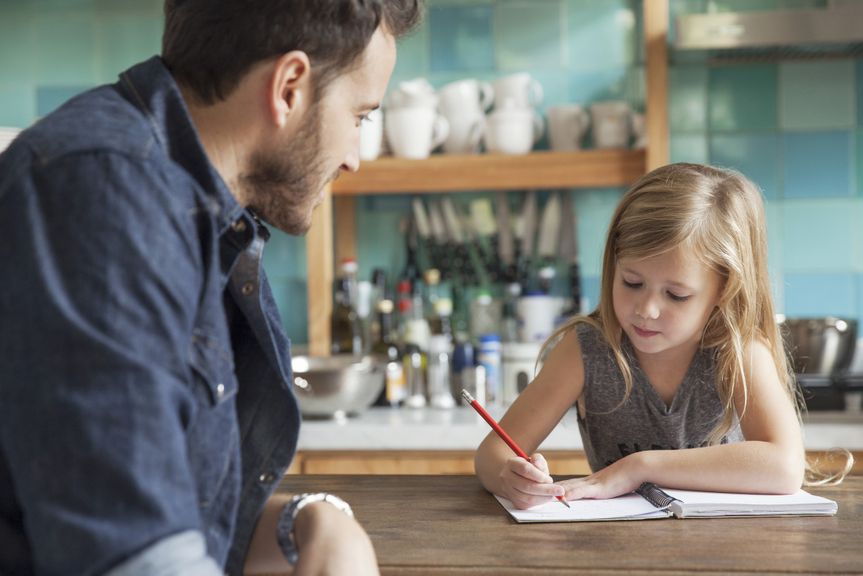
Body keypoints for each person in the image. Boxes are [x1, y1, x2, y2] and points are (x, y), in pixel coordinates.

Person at [0, 1, 421, 574]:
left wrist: (311, 521)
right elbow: (132, 556)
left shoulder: (193, 209)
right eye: (360, 116)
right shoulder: (102, 194)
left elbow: (188, 508)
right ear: (289, 86)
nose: (353, 159)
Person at [475, 162, 810, 510]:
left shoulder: (739, 351)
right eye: (632, 282)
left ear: (724, 290)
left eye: (676, 295)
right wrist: (510, 478)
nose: (646, 309)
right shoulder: (586, 350)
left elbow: (785, 467)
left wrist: (639, 466)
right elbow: (492, 454)